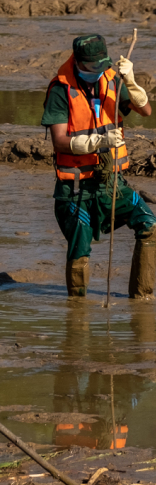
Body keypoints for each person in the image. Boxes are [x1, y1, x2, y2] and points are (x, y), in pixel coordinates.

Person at [42, 33, 155, 298]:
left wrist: (131, 81)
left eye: (101, 66)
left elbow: (146, 110)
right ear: (77, 62)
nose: (97, 72)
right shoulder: (61, 89)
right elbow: (59, 142)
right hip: (76, 188)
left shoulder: (112, 80)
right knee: (79, 251)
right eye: (91, 67)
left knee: (149, 226)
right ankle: (77, 314)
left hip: (112, 184)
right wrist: (98, 141)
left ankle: (141, 299)